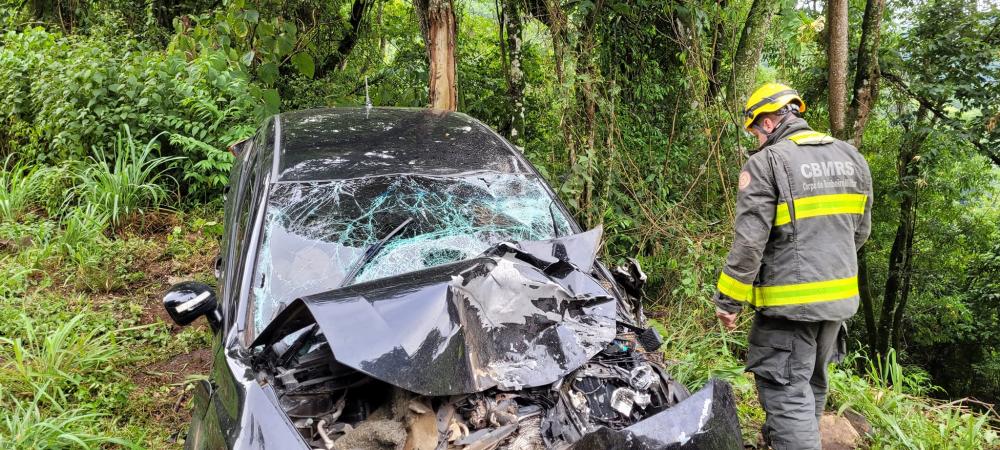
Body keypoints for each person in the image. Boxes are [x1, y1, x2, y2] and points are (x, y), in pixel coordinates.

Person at [713, 83, 873, 449]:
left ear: (768, 122)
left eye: (754, 130)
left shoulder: (767, 163)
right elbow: (860, 232)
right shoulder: (850, 157)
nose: (755, 139)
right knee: (812, 382)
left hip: (789, 309)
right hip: (837, 302)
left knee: (785, 391)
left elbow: (749, 243)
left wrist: (728, 302)